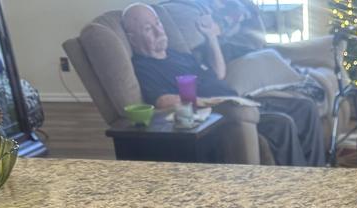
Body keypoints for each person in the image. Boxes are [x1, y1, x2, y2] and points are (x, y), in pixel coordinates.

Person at [121, 3, 325, 167]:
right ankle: (298, 186)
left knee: (305, 106)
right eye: (148, 29)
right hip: (223, 111)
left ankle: (315, 173)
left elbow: (219, 74)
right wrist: (207, 101)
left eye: (158, 23)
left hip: (237, 100)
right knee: (283, 124)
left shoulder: (178, 55)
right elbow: (162, 100)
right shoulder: (145, 67)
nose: (159, 31)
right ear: (133, 38)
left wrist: (211, 37)